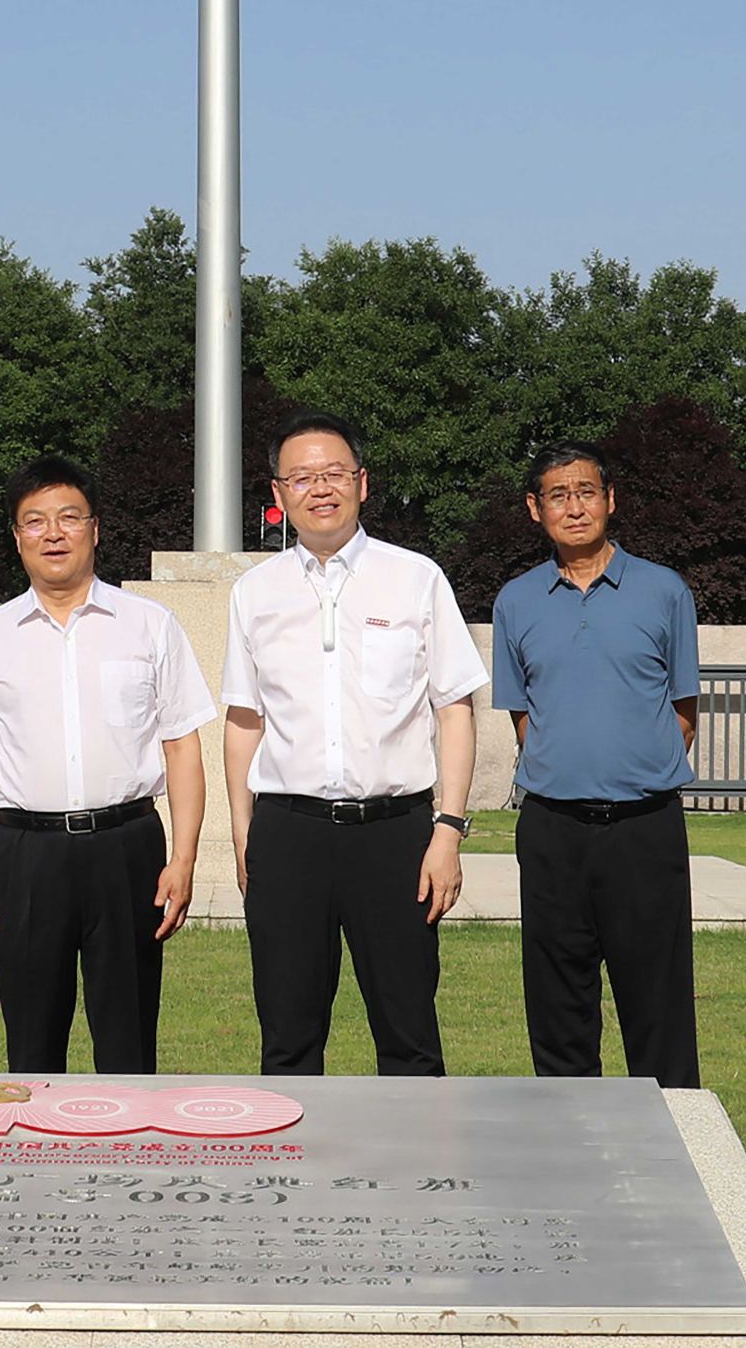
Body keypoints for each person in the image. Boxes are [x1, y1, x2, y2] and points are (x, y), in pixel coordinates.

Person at [223, 416, 487, 1078]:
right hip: (288, 833)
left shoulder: (415, 578)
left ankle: (416, 1148)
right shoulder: (255, 592)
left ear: (362, 483)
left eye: (334, 473)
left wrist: (448, 830)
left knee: (409, 1036)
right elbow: (244, 718)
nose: (321, 489)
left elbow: (455, 708)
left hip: (395, 835)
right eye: (302, 477)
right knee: (287, 1038)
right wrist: (244, 833)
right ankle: (294, 1150)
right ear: (278, 492)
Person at [0, 456, 212, 1073]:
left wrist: (183, 858)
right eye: (35, 521)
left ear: (95, 528)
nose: (53, 534)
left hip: (127, 847)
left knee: (129, 1038)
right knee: (32, 1042)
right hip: (25, 855)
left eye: (69, 517)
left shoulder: (149, 625)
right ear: (17, 537)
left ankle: (131, 1136)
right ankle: (35, 1138)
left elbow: (182, 746)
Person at [490, 440, 703, 1087]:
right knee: (558, 1008)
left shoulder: (664, 592)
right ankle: (569, 1141)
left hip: (645, 829)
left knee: (658, 1005)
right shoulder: (516, 602)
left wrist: (629, 768)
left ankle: (670, 1139)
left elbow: (683, 712)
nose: (574, 507)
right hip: (553, 831)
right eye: (558, 495)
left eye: (586, 492)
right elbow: (524, 718)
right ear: (535, 509)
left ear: (610, 500)